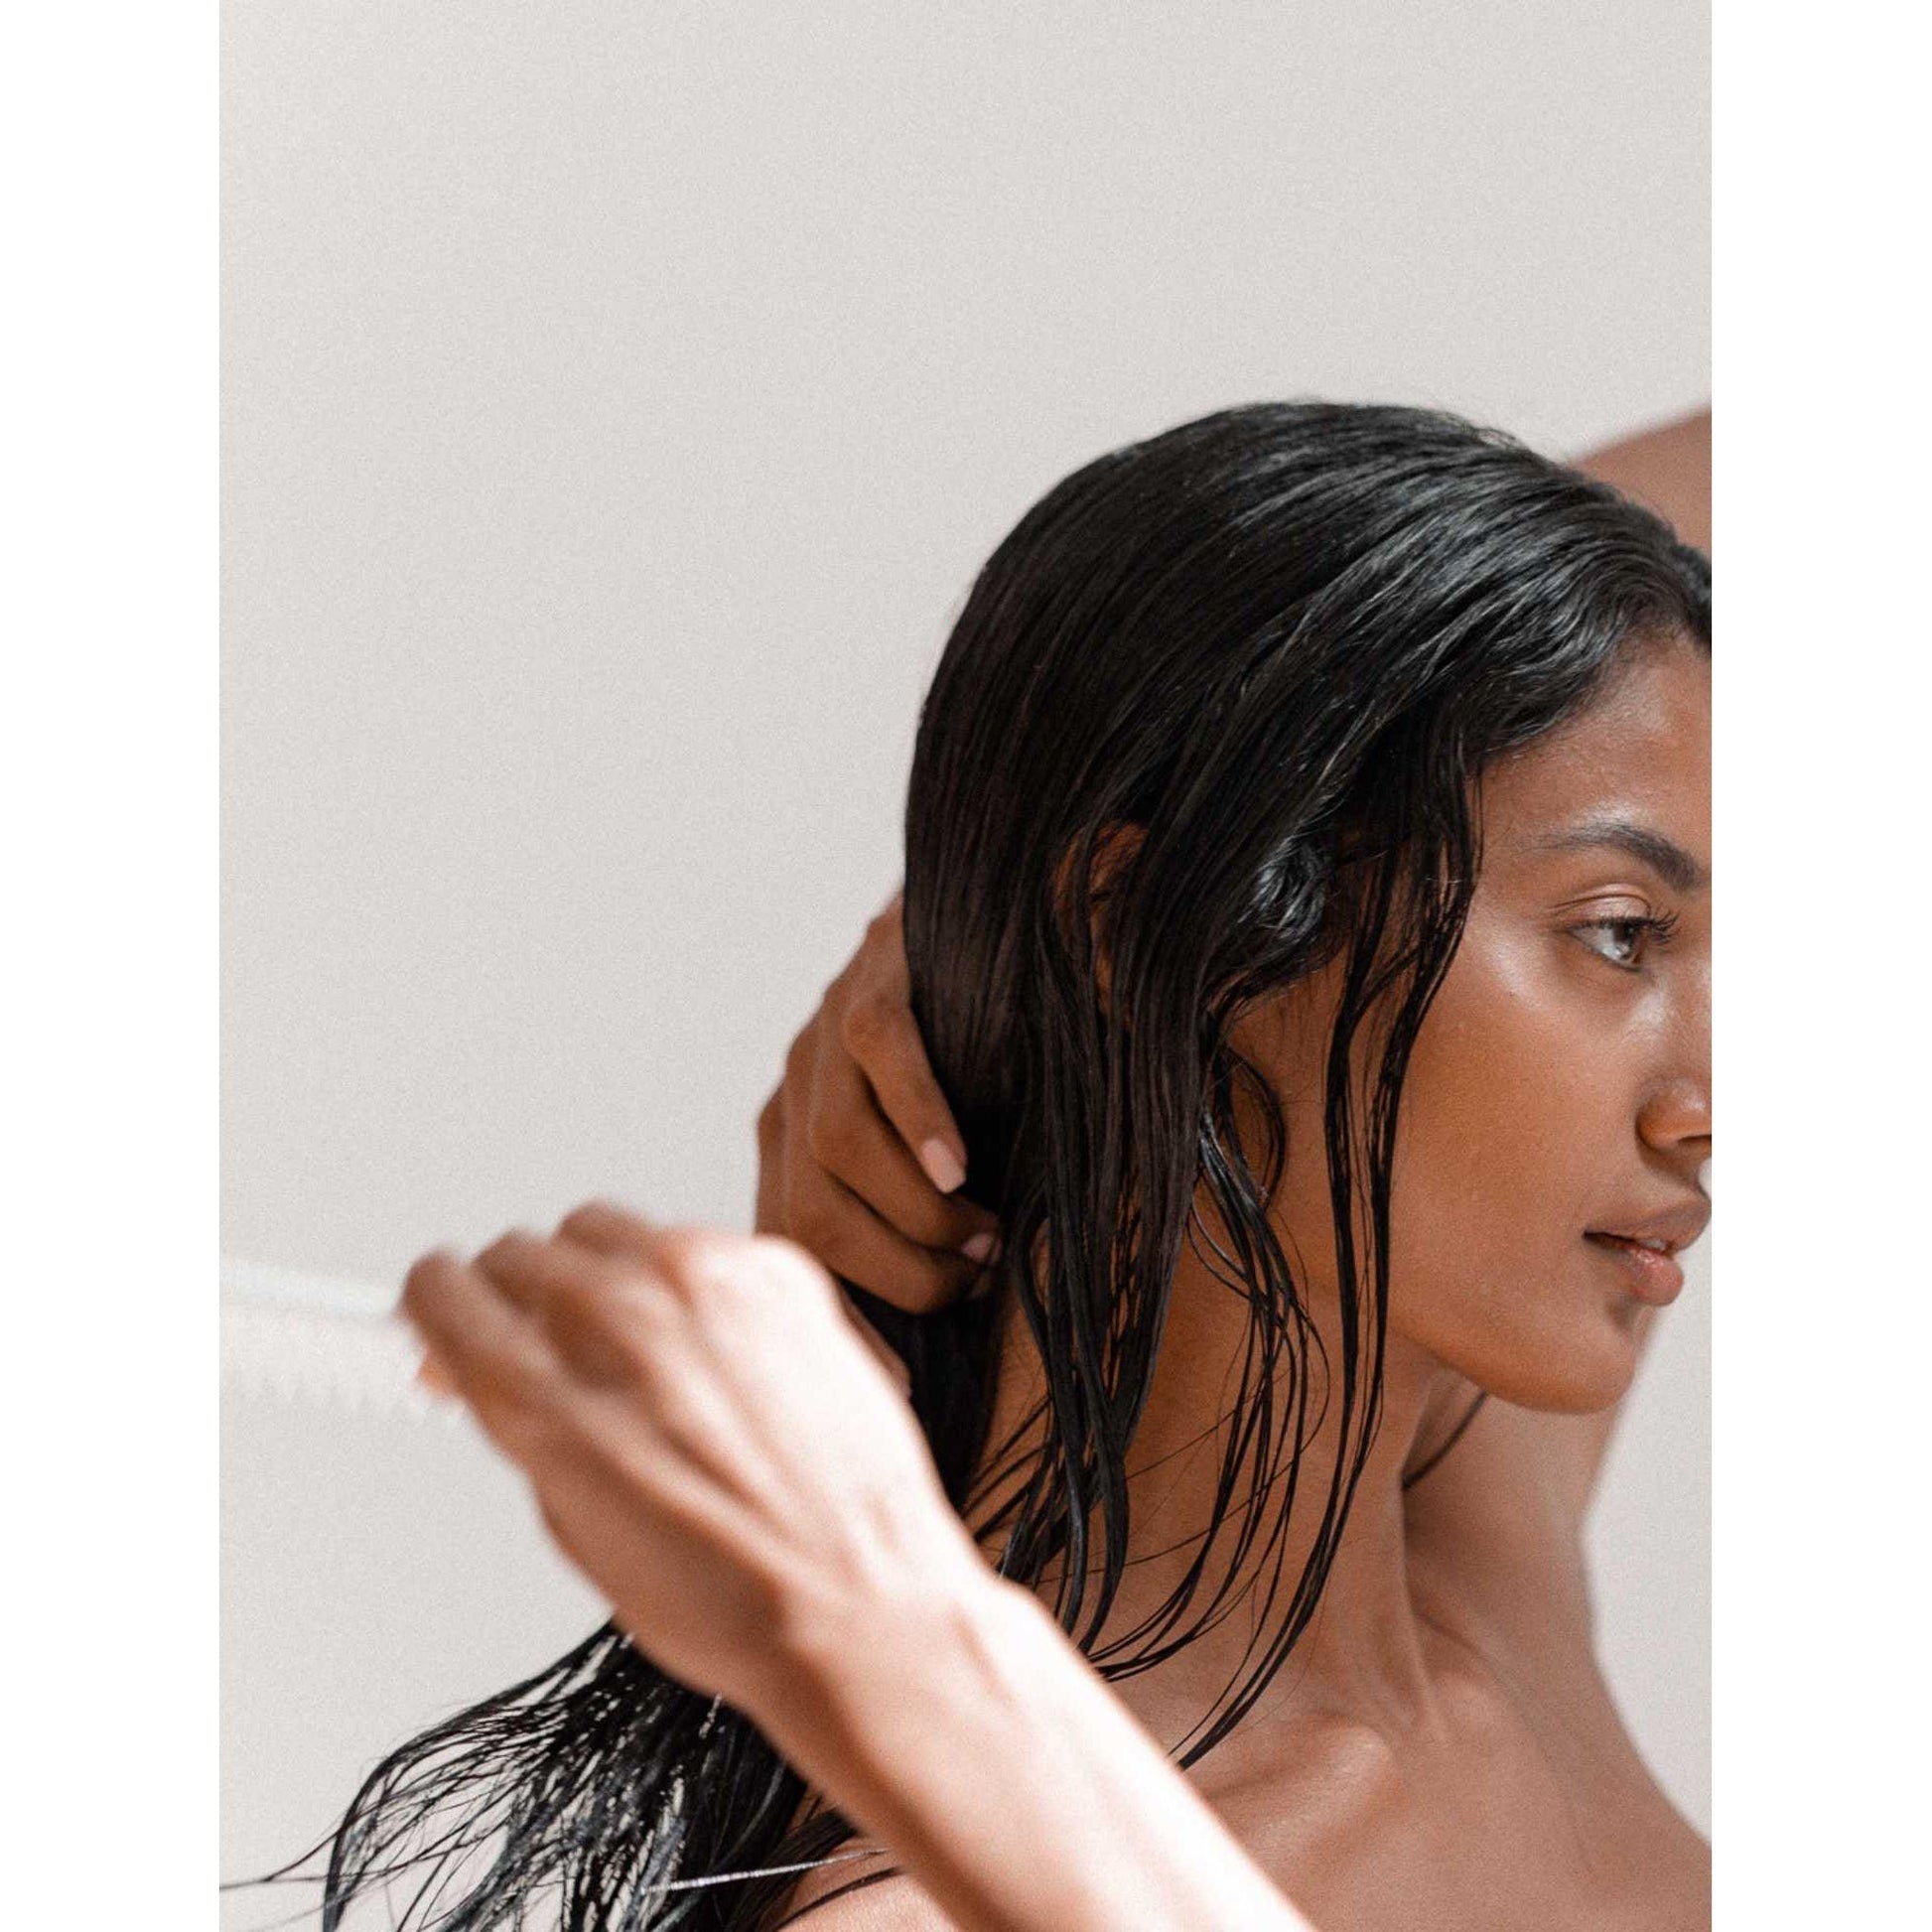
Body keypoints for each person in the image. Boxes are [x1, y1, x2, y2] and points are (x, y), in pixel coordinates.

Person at [315, 400, 1711, 1931]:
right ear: (1164, 932)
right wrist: (883, 1644)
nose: (1710, 1101)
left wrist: (974, 912)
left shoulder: (1464, 1562)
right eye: (1620, 933)